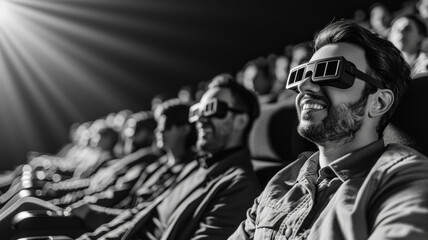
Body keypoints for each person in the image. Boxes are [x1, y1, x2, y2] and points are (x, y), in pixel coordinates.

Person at [229, 20, 428, 240]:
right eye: (301, 75)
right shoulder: (282, 180)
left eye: (329, 71)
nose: (305, 86)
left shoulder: (403, 179)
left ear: (379, 102)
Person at [76, 74, 262, 240]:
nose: (201, 119)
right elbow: (140, 218)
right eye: (198, 111)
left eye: (213, 109)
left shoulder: (240, 185)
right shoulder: (194, 167)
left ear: (241, 121)